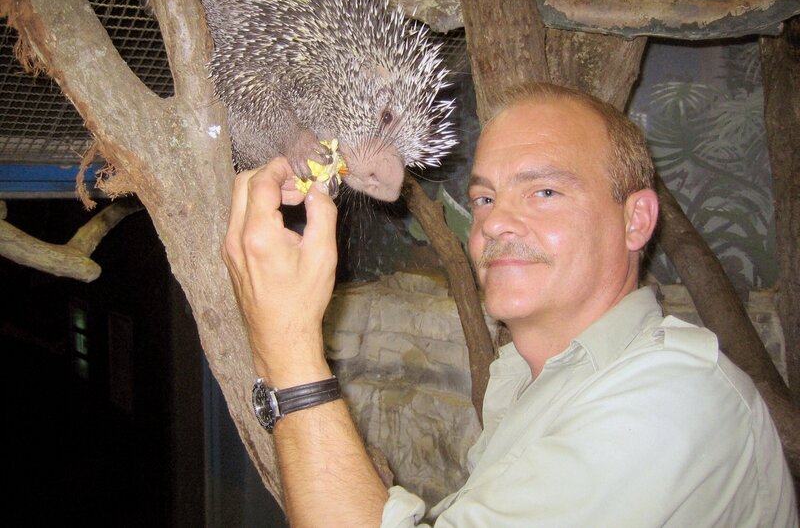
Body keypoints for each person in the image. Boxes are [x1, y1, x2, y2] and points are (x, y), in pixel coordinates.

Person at [223, 82, 798, 526]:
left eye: (544, 192)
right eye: (484, 197)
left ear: (635, 220)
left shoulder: (673, 400)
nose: (494, 221)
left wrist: (288, 347)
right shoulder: (523, 375)